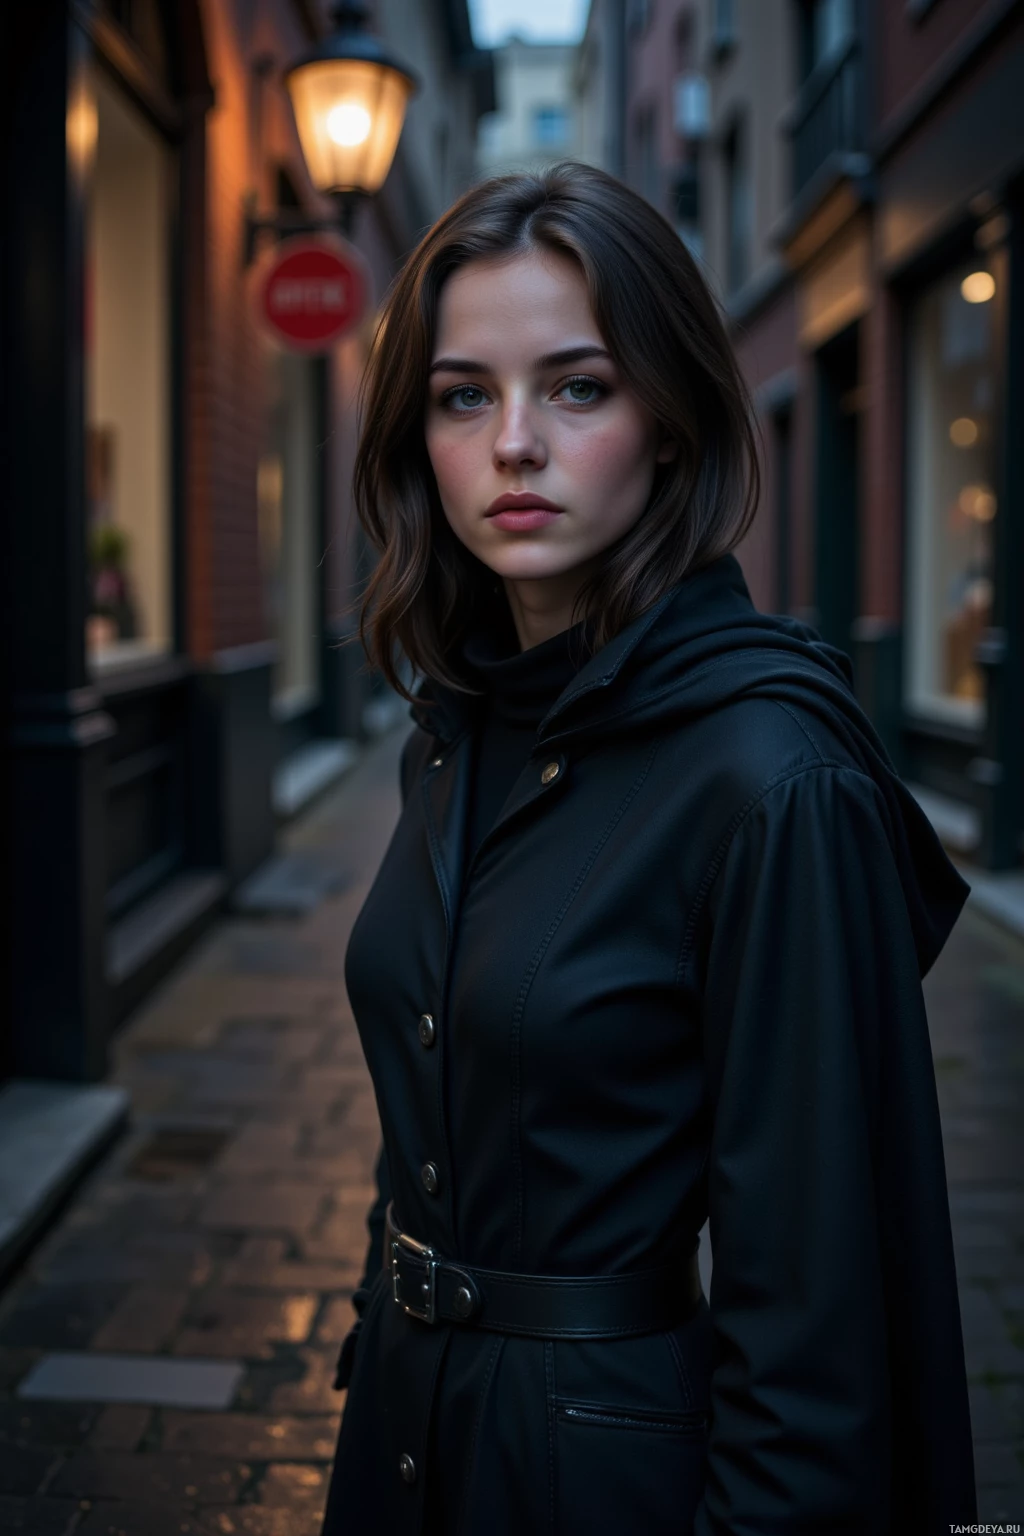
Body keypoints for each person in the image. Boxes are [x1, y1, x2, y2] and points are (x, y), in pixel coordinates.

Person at [319, 161, 976, 1536]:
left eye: (577, 386)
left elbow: (823, 1330)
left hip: (599, 1474)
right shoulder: (458, 721)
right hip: (402, 1441)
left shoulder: (771, 779)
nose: (512, 444)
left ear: (669, 421)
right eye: (461, 396)